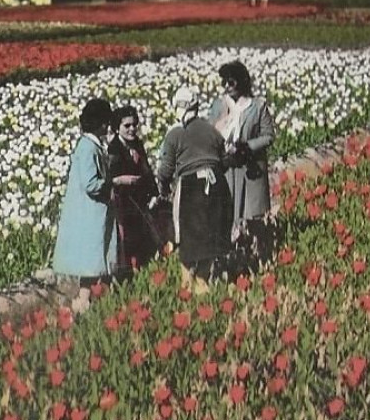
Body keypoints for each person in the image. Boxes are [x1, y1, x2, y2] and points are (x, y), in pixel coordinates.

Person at [154, 86, 232, 279]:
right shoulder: (213, 132)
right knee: (211, 237)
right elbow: (225, 161)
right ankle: (203, 279)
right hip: (217, 186)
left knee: (187, 240)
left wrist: (163, 190)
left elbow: (165, 171)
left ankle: (188, 285)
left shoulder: (175, 135)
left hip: (191, 187)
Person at [206, 59, 277, 256]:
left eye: (231, 82)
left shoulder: (257, 107)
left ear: (241, 81)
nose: (227, 87)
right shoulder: (219, 106)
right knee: (229, 211)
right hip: (228, 167)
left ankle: (257, 253)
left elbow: (269, 136)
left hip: (250, 167)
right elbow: (211, 133)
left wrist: (247, 147)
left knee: (253, 214)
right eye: (224, 83)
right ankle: (233, 253)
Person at [51, 97, 115, 281]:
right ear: (102, 123)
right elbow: (90, 184)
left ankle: (88, 303)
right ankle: (84, 304)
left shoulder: (90, 145)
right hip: (90, 215)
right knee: (90, 267)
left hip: (89, 213)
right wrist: (112, 182)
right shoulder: (88, 148)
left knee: (93, 270)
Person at [107, 104, 160, 273]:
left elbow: (147, 170)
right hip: (122, 202)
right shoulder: (113, 148)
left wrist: (154, 193)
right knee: (127, 242)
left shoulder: (137, 144)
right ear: (117, 128)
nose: (132, 129)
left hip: (139, 200)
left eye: (134, 125)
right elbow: (110, 178)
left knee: (143, 240)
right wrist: (122, 180)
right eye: (127, 126)